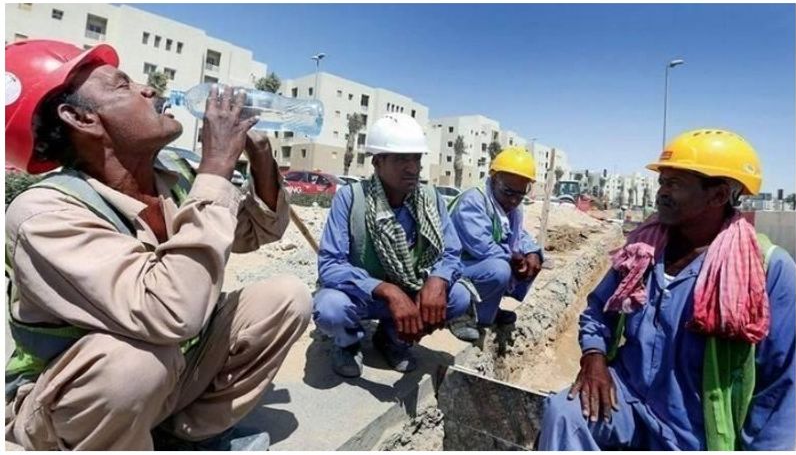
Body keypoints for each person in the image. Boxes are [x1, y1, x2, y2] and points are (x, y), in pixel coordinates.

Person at [4, 40, 312, 450]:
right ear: (81, 118)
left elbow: (255, 234)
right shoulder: (45, 213)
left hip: (169, 374)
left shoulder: (173, 177)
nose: (148, 89)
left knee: (285, 297)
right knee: (135, 365)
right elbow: (170, 313)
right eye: (122, 86)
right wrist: (217, 167)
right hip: (75, 406)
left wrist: (258, 160)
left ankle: (183, 436)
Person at [538, 129, 795, 450]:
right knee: (564, 414)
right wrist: (594, 355)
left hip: (693, 430)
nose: (661, 193)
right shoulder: (643, 249)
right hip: (628, 400)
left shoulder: (767, 269)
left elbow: (784, 386)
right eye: (662, 182)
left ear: (717, 195)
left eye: (675, 184)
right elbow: (598, 311)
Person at [313, 113, 473, 378]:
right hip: (363, 296)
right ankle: (348, 343)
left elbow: (451, 252)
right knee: (330, 309)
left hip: (412, 292)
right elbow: (330, 266)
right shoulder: (351, 199)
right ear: (377, 162)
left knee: (458, 297)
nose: (412, 168)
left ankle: (393, 339)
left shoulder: (431, 199)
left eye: (416, 158)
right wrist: (385, 289)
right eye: (401, 159)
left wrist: (438, 279)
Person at [448, 146, 543, 338]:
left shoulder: (509, 207)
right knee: (499, 269)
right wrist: (515, 259)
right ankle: (460, 313)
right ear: (494, 178)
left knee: (531, 259)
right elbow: (483, 247)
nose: (515, 200)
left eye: (520, 194)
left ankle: (486, 314)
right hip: (453, 266)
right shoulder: (474, 201)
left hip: (473, 265)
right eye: (509, 192)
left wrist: (532, 252)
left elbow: (518, 234)